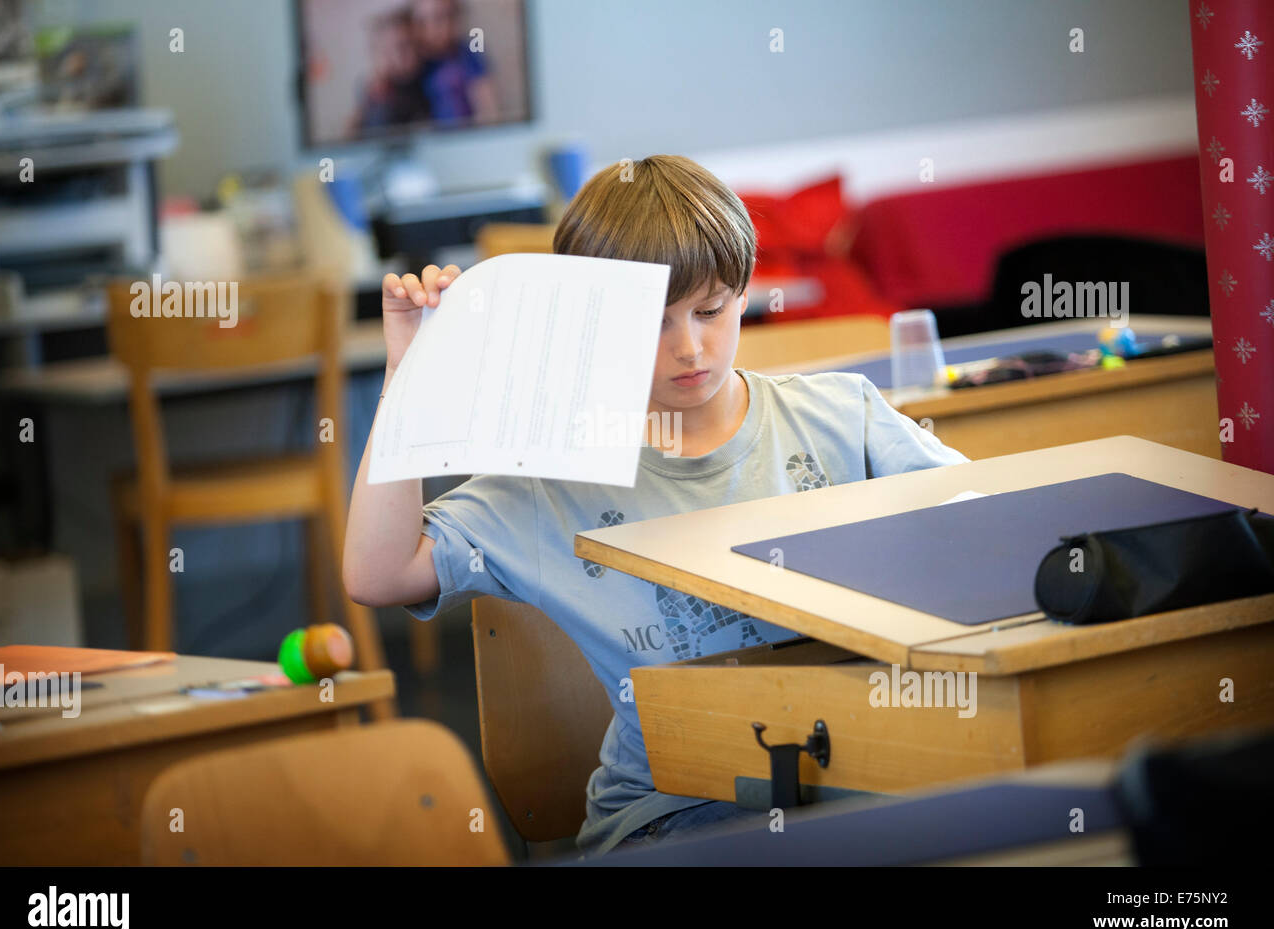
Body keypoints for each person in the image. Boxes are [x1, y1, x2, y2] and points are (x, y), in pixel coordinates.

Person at [343, 155, 968, 856]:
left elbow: (986, 524)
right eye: (652, 326)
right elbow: (380, 573)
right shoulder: (550, 480)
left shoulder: (840, 415)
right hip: (673, 812)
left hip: (863, 779)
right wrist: (407, 379)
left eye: (711, 310)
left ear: (745, 290)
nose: (690, 348)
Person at [408, 0, 499, 124]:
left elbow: (488, 109)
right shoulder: (414, 60)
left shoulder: (468, 55)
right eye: (422, 22)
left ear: (454, 18)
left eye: (439, 18)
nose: (431, 28)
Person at [346, 7, 431, 136]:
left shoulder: (428, 78)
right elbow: (351, 132)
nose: (411, 53)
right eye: (398, 48)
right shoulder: (373, 89)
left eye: (412, 45)